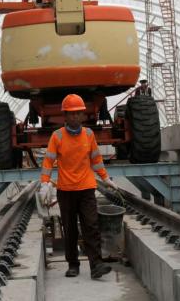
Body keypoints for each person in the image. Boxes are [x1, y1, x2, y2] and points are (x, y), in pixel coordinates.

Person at [39, 94, 118, 279]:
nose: (75, 117)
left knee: (91, 226)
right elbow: (48, 162)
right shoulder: (57, 136)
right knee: (70, 229)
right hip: (65, 191)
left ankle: (96, 265)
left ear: (82, 115)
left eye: (78, 114)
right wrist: (44, 183)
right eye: (71, 114)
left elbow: (96, 160)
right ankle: (73, 264)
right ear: (65, 116)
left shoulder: (89, 135)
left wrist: (106, 179)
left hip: (86, 189)